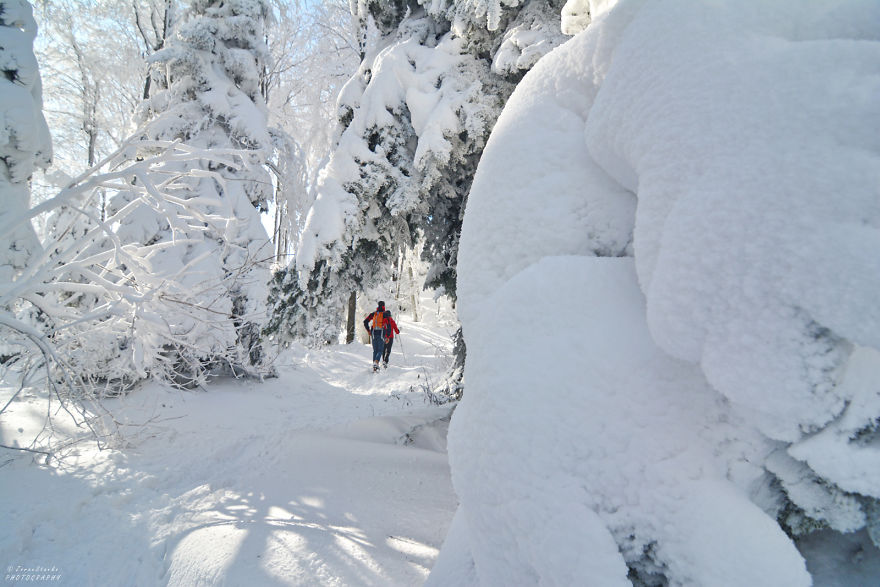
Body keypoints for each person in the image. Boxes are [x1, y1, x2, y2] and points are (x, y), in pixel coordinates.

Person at [363, 301, 388, 372]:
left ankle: (374, 367)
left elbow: (365, 321)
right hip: (381, 334)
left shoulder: (374, 314)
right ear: (384, 306)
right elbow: (388, 325)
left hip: (373, 333)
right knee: (380, 350)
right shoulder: (385, 314)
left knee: (375, 350)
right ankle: (376, 363)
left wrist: (368, 331)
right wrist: (387, 336)